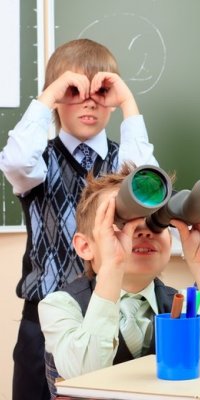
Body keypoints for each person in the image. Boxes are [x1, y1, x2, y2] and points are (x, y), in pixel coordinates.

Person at [0, 39, 159, 400]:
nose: (89, 100)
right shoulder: (39, 162)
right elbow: (14, 160)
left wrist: (128, 103)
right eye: (74, 90)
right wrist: (52, 93)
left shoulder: (125, 162)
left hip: (112, 314)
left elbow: (148, 185)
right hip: (43, 318)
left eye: (101, 90)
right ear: (57, 99)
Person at [39, 165, 200, 398]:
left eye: (157, 223)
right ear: (85, 246)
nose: (143, 232)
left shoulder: (183, 305)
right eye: (119, 222)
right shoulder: (60, 306)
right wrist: (113, 264)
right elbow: (85, 377)